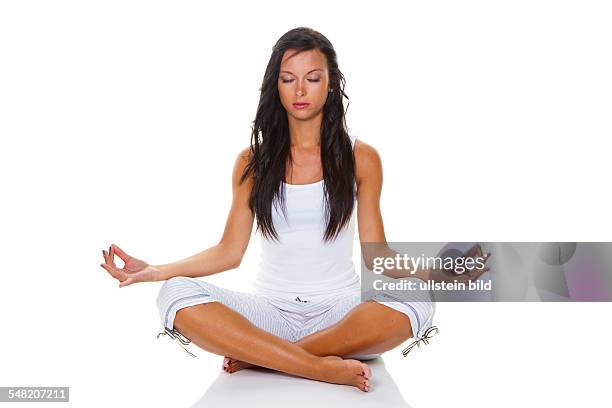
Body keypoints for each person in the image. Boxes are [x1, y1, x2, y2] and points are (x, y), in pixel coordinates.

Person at [100, 27, 487, 393]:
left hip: (341, 312)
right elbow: (229, 252)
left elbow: (378, 256)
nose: (300, 90)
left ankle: (266, 357)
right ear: (276, 85)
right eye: (288, 79)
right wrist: (155, 271)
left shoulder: (361, 158)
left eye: (313, 78)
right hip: (269, 312)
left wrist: (441, 272)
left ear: (331, 82)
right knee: (174, 295)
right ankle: (316, 365)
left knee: (417, 297)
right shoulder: (250, 162)